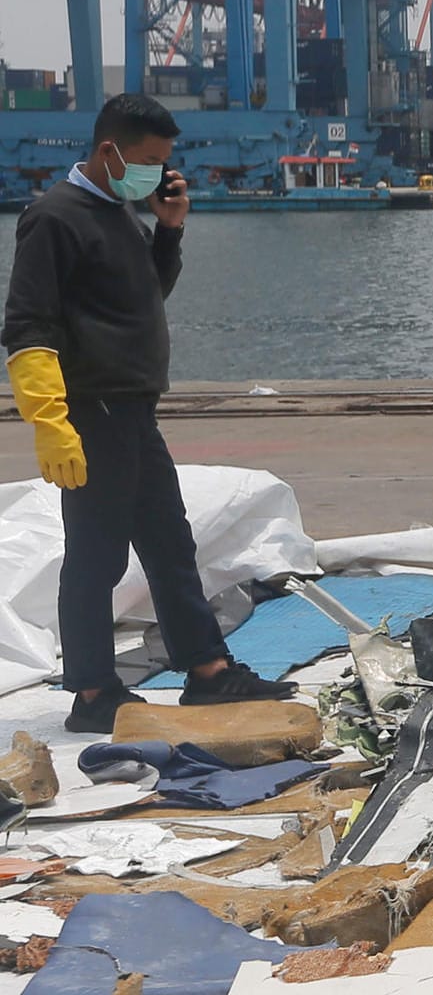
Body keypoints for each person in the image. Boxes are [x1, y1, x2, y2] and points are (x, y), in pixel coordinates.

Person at [3, 93, 297, 733]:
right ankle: (91, 692)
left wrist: (169, 228)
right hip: (91, 409)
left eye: (164, 161)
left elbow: (143, 296)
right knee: (97, 555)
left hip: (133, 409)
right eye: (147, 160)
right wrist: (50, 420)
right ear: (109, 150)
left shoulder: (119, 213)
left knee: (169, 543)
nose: (156, 172)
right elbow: (27, 325)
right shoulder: (55, 217)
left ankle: (207, 672)